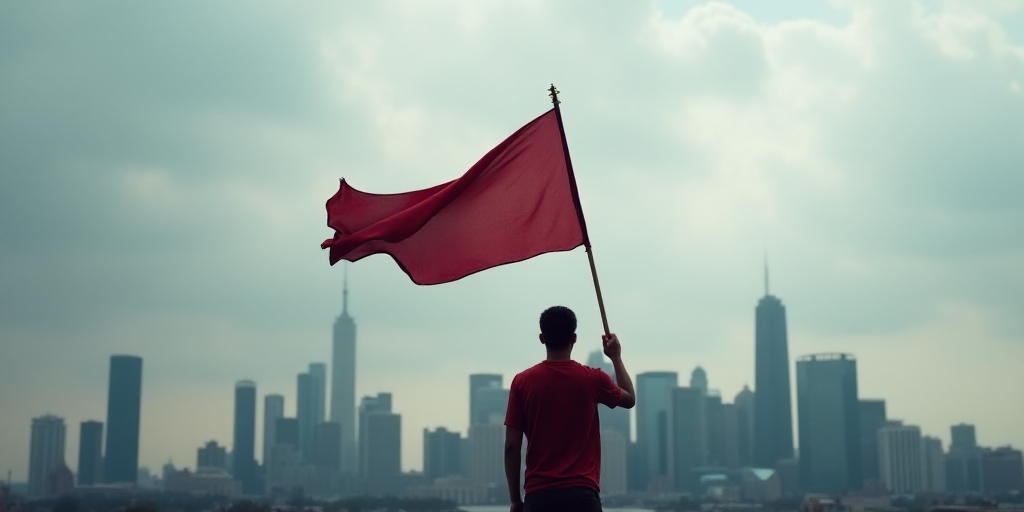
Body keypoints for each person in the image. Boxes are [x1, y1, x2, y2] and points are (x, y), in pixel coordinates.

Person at [503, 306, 637, 512]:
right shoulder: (593, 378)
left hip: (539, 496)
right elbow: (629, 399)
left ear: (542, 338)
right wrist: (616, 357)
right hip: (582, 496)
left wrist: (515, 500)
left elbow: (512, 447)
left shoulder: (522, 382)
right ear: (574, 338)